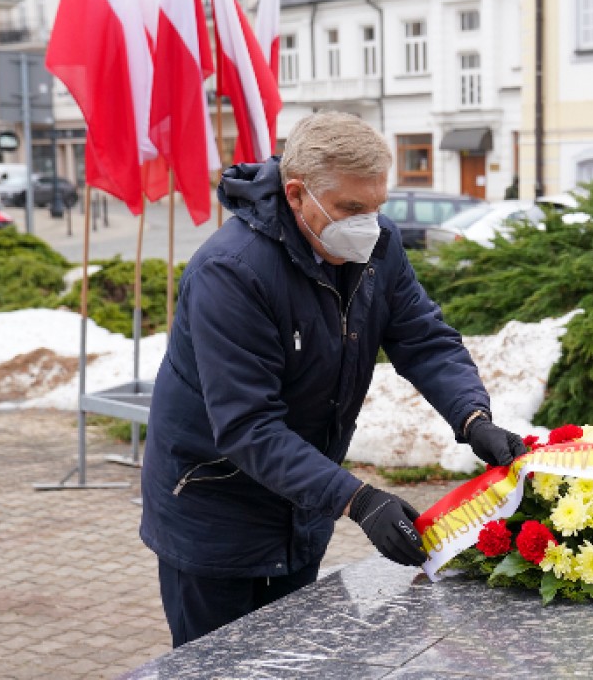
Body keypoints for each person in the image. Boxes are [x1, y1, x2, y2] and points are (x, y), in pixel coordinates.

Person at [139, 111, 526, 647]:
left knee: (298, 657)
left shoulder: (376, 246)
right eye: (350, 209)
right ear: (297, 195)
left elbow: (424, 338)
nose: (368, 224)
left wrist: (473, 416)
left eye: (376, 207)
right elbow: (249, 425)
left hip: (301, 508)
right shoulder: (231, 272)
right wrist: (359, 500)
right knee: (222, 664)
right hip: (215, 515)